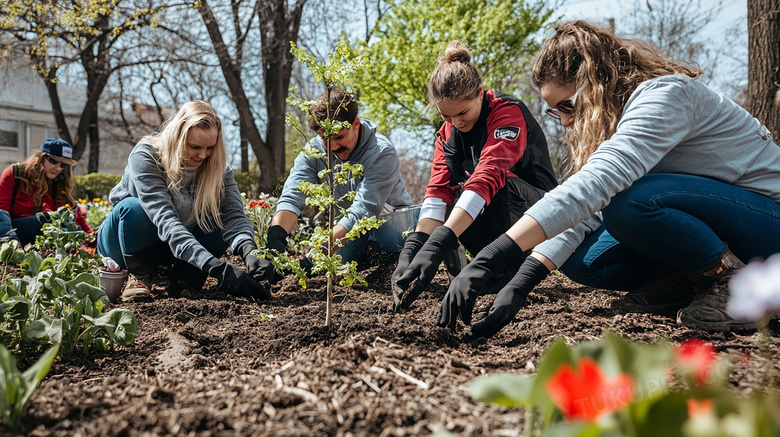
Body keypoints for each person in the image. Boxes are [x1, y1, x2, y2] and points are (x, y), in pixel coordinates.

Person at [436, 20, 780, 338]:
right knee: (582, 260)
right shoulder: (619, 121)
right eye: (556, 112)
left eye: (567, 106)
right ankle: (685, 283)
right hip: (727, 225)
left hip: (767, 223)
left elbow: (598, 184)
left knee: (632, 202)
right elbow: (585, 211)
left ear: (596, 80)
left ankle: (733, 285)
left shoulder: (666, 96)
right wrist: (522, 282)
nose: (566, 122)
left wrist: (489, 258)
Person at [391, 41, 558, 311]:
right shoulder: (446, 134)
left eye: (463, 112)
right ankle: (490, 268)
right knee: (454, 195)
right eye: (446, 115)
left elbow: (489, 173)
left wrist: (441, 239)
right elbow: (437, 193)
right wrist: (415, 247)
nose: (457, 122)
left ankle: (509, 268)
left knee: (487, 184)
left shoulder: (506, 111)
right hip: (493, 219)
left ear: (480, 93)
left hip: (539, 212)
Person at [97, 101, 271, 302]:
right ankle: (140, 275)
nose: (203, 155)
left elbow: (234, 217)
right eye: (195, 147)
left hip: (171, 246)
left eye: (210, 148)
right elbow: (167, 222)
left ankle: (185, 277)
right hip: (124, 241)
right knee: (133, 208)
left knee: (216, 217)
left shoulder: (218, 169)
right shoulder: (146, 156)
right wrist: (216, 268)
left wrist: (249, 251)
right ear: (177, 138)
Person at [260, 88, 413, 281]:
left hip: (393, 230)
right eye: (325, 138)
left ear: (355, 123)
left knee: (390, 250)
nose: (332, 147)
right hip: (348, 232)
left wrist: (314, 257)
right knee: (341, 266)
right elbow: (293, 194)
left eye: (339, 137)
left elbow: (364, 209)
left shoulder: (381, 152)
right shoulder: (314, 152)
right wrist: (276, 238)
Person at [0, 138, 91, 245]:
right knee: (44, 222)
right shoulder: (14, 173)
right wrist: (12, 245)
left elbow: (71, 214)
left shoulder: (57, 182)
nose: (57, 168)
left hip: (36, 237)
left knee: (64, 223)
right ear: (39, 158)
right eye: (53, 161)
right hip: (7, 233)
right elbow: (1, 212)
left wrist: (90, 237)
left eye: (63, 165)